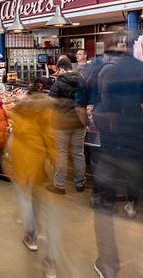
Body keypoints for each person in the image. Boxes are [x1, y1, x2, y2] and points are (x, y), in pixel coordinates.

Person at [90, 45, 143, 278]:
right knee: (142, 198)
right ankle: (131, 207)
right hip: (135, 145)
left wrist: (107, 125)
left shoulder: (104, 73)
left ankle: (108, 264)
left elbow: (99, 110)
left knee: (103, 209)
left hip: (111, 147)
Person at [7, 85, 59, 277]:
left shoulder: (17, 112)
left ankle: (31, 236)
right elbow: (50, 138)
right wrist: (55, 162)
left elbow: (12, 138)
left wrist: (8, 160)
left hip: (21, 163)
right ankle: (50, 261)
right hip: (39, 163)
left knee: (25, 199)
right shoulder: (46, 113)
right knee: (42, 204)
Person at [47, 58, 86, 194]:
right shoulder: (82, 81)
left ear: (61, 69)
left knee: (61, 154)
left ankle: (59, 185)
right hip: (79, 123)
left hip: (60, 124)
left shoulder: (58, 84)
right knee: (78, 153)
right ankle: (80, 183)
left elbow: (50, 104)